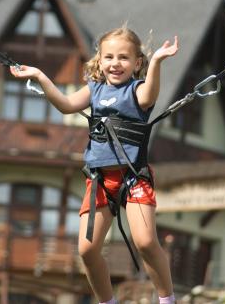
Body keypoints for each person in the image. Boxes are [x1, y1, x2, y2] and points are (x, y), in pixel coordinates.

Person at [10, 26, 179, 304]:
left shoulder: (137, 91)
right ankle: (106, 301)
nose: (115, 63)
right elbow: (65, 105)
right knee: (87, 251)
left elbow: (150, 96)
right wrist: (40, 76)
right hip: (100, 180)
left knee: (146, 242)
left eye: (124, 58)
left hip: (133, 178)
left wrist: (158, 61)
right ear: (99, 60)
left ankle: (168, 300)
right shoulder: (94, 91)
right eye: (109, 57)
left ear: (137, 63)